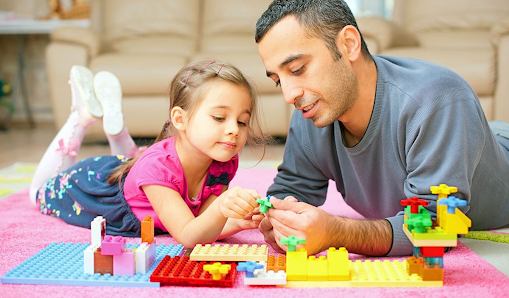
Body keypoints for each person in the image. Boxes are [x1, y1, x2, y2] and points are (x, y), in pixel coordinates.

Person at [254, 0, 509, 257]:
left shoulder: (438, 101)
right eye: (278, 81)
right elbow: (292, 188)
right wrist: (278, 218)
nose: (289, 95)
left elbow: (434, 226)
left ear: (349, 44)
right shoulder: (312, 108)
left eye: (297, 69)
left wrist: (337, 232)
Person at [29, 60, 269, 247]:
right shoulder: (158, 170)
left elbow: (202, 222)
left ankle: (117, 133)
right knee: (37, 193)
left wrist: (235, 220)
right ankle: (80, 118)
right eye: (219, 118)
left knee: (138, 163)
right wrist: (222, 208)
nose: (233, 130)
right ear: (180, 119)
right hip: (88, 186)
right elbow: (187, 235)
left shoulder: (223, 161)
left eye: (242, 122)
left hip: (135, 173)